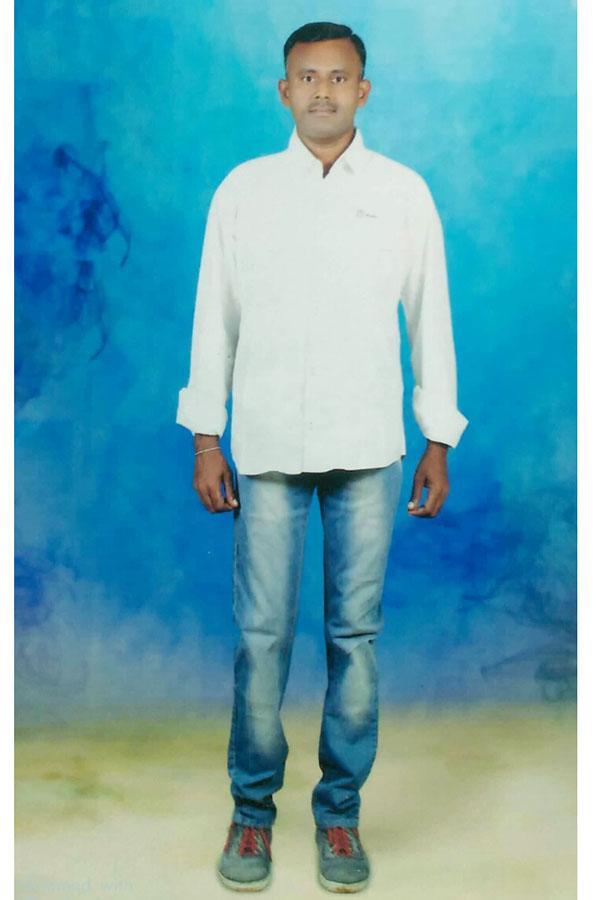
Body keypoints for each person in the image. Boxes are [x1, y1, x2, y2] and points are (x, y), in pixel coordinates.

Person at [176, 20, 469, 894]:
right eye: (307, 77)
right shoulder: (244, 191)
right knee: (262, 637)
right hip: (266, 445)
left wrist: (438, 436)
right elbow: (213, 316)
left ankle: (339, 812)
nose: (323, 92)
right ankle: (252, 812)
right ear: (284, 90)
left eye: (339, 78)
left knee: (356, 638)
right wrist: (206, 435)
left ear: (363, 91)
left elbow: (431, 316)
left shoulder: (403, 193)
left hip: (370, 447)